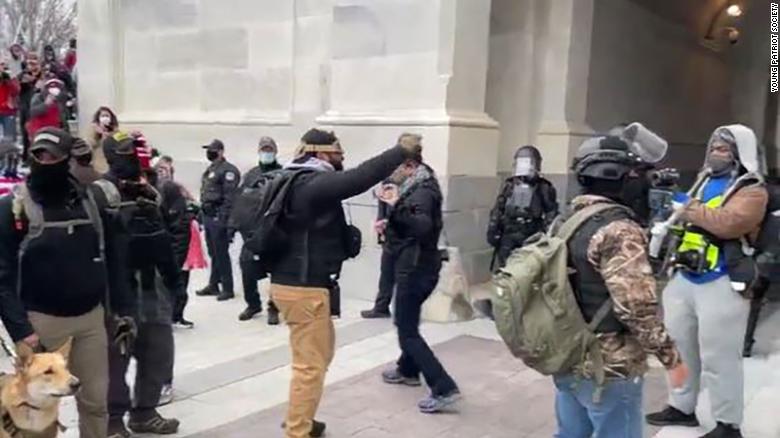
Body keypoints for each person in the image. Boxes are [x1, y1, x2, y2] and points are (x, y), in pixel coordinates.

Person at [270, 128, 422, 438]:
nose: (341, 159)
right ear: (320, 153)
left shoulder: (290, 178)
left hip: (296, 285)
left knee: (319, 355)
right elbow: (359, 178)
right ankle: (298, 431)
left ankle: (303, 417)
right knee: (310, 366)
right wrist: (399, 151)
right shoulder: (311, 183)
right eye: (338, 154)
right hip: (303, 288)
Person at [551, 133, 688, 437]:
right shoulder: (619, 230)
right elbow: (637, 308)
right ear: (620, 178)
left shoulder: (566, 220)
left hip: (568, 353)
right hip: (610, 366)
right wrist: (671, 359)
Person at [0, 127, 132, 438]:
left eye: (53, 156)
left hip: (89, 321)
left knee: (96, 403)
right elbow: (1, 276)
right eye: (39, 155)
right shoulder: (13, 207)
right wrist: (22, 331)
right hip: (41, 324)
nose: (46, 161)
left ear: (66, 159)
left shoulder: (91, 201)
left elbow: (113, 258)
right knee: (37, 415)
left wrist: (120, 310)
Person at [646, 125, 768, 438]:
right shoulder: (703, 181)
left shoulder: (752, 189)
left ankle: (728, 424)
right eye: (714, 147)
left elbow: (729, 223)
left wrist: (685, 206)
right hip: (684, 276)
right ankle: (681, 407)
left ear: (740, 153)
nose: (717, 153)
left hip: (722, 280)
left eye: (725, 149)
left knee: (720, 357)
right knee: (679, 349)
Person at [99, 132, 182, 437]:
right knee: (116, 358)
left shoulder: (151, 189)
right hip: (118, 287)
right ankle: (112, 420)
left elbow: (167, 232)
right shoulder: (101, 191)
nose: (139, 162)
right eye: (132, 155)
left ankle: (145, 411)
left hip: (152, 284)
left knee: (159, 351)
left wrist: (175, 279)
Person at [378, 139, 462, 413]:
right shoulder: (416, 187)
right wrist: (389, 222)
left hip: (417, 269)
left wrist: (396, 207)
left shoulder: (422, 192)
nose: (393, 174)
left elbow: (423, 227)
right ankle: (408, 369)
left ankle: (443, 386)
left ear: (410, 165)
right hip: (415, 264)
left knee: (407, 329)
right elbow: (410, 225)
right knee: (406, 319)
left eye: (397, 168)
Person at [235, 136, 282, 324]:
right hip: (252, 232)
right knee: (246, 266)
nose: (266, 152)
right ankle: (253, 304)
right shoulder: (251, 174)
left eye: (269, 149)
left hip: (273, 231)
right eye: (263, 149)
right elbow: (240, 200)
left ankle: (274, 307)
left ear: (275, 151)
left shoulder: (282, 174)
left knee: (277, 271)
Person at [487, 145, 558, 269]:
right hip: (509, 230)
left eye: (530, 163)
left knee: (529, 268)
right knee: (506, 267)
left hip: (532, 232)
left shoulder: (543, 187)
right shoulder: (510, 185)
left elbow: (551, 212)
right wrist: (493, 229)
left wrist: (547, 235)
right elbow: (498, 208)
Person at [197, 139, 240, 301]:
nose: (209, 152)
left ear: (221, 151)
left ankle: (227, 287)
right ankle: (214, 283)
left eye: (212, 150)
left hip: (218, 216)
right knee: (213, 252)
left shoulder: (228, 171)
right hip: (208, 215)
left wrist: (224, 219)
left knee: (221, 253)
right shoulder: (211, 169)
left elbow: (230, 198)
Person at [360, 186, 397, 319]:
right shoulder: (388, 182)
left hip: (404, 235)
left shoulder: (414, 185)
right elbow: (383, 207)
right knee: (387, 272)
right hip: (390, 235)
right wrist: (381, 223)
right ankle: (381, 307)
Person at [18, 54, 44, 158]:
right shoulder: (23, 75)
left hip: (38, 109)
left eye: (34, 63)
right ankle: (26, 155)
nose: (32, 66)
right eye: (30, 63)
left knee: (36, 133)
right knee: (25, 133)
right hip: (25, 107)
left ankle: (36, 155)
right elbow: (19, 85)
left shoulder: (43, 75)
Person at [0, 63, 20, 141]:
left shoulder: (11, 78)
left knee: (9, 138)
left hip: (8, 111)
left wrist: (9, 80)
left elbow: (16, 91)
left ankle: (9, 152)